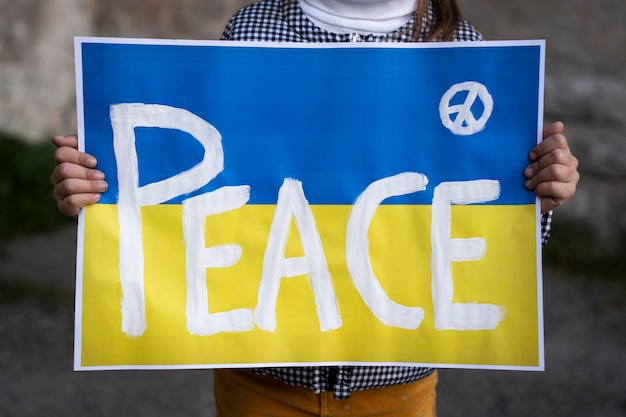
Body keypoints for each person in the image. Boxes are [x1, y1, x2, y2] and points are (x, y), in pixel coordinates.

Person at [51, 0, 580, 415]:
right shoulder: (252, 29)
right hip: (262, 381)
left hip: (397, 387)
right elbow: (194, 204)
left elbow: (481, 240)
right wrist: (97, 195)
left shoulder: (461, 47)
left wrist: (540, 197)